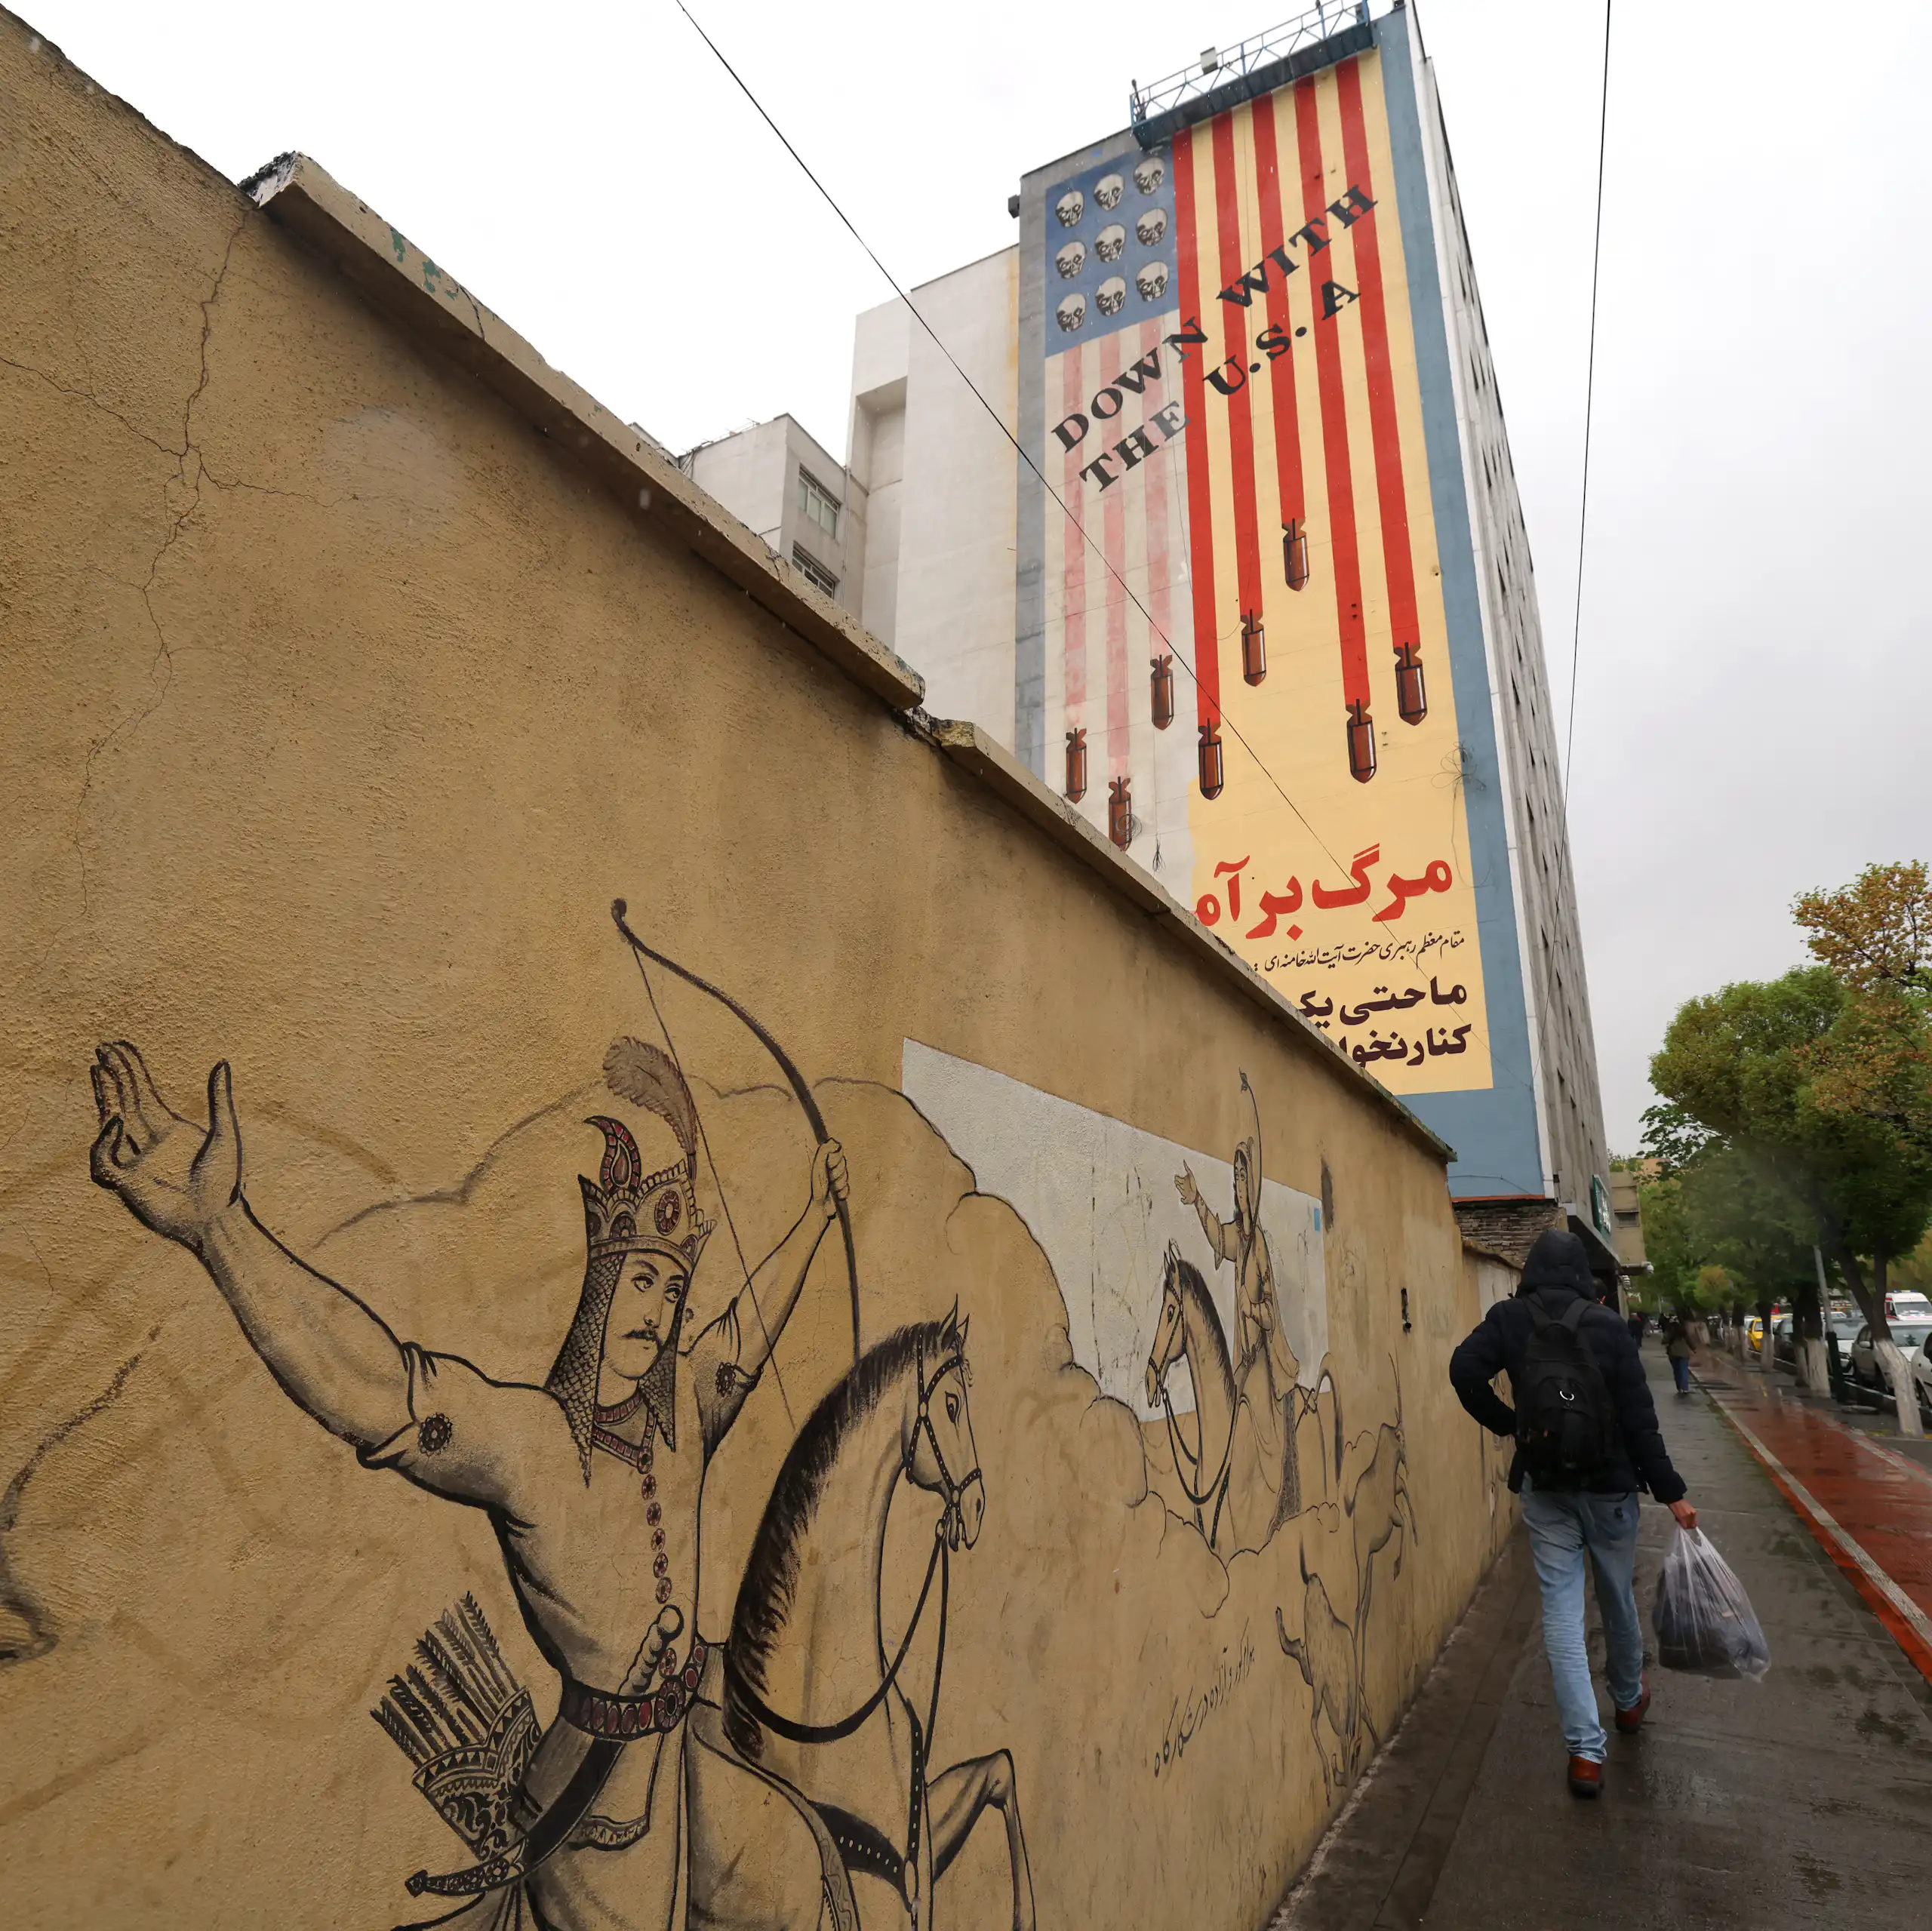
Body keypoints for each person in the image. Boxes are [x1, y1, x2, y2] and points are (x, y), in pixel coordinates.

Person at [88, 1037, 848, 1927]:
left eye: (673, 1295)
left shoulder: (681, 1409)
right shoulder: (529, 1445)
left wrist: (818, 1215)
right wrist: (223, 1230)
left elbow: (749, 1327)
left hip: (680, 1752)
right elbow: (377, 1387)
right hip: (598, 1809)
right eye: (641, 1281)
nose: (658, 1312)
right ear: (603, 1285)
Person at [1449, 1228, 1697, 1800]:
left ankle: (1585, 1754)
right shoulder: (1609, 1326)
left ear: (1531, 1269)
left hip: (1547, 1487)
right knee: (1615, 1597)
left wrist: (1508, 1423)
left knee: (1560, 1614)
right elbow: (1640, 1420)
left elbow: (1464, 1370)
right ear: (1584, 1275)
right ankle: (1629, 1702)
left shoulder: (1509, 1318)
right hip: (1610, 1489)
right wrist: (1672, 1491)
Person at [1666, 1318, 1695, 1395]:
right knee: (1684, 1370)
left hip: (1673, 1354)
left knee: (1677, 1371)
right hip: (1683, 1354)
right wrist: (1694, 1349)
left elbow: (1664, 1340)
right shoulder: (1684, 1333)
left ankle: (1679, 1388)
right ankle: (1685, 1388)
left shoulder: (1670, 1333)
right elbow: (1689, 1341)